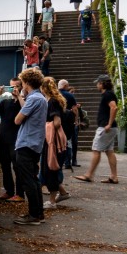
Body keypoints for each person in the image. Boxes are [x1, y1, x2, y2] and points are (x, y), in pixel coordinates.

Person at [12, 68, 49, 225]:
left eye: (23, 83)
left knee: (28, 181)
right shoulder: (40, 98)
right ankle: (39, 214)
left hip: (26, 143)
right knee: (34, 180)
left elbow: (18, 120)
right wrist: (21, 98)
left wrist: (21, 99)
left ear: (26, 83)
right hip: (35, 144)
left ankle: (33, 215)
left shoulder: (33, 99)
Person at [73, 77, 120, 184]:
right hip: (110, 127)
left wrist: (109, 123)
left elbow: (114, 108)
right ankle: (114, 176)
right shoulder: (108, 94)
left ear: (102, 84)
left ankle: (89, 175)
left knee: (96, 150)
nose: (97, 85)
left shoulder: (108, 94)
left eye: (98, 83)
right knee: (109, 151)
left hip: (105, 127)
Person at [39, 77, 72, 208]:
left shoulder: (51, 102)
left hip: (53, 140)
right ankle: (63, 193)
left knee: (50, 168)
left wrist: (43, 125)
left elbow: (56, 122)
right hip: (56, 139)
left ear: (43, 88)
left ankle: (52, 201)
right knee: (50, 168)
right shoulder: (55, 100)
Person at [0, 81, 24, 202]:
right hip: (3, 139)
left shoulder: (24, 102)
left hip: (17, 139)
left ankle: (20, 194)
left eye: (17, 86)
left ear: (21, 87)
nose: (14, 88)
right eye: (12, 86)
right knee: (5, 167)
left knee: (17, 167)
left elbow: (26, 110)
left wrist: (19, 96)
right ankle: (9, 191)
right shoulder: (5, 102)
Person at [58, 80, 80, 169]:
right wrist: (76, 121)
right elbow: (75, 109)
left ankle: (58, 160)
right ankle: (68, 162)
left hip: (56, 120)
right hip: (68, 121)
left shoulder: (54, 94)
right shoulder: (70, 95)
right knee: (68, 141)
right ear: (66, 86)